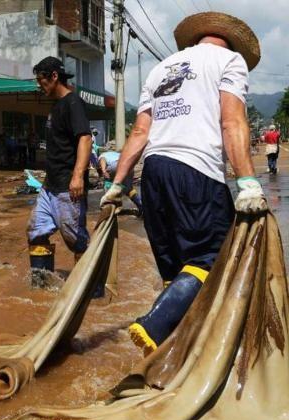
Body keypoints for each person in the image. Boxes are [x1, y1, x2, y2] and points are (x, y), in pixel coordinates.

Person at [101, 12, 268, 355]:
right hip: (196, 171)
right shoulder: (229, 60)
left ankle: (172, 356)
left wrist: (117, 186)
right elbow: (232, 122)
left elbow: (140, 132)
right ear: (231, 44)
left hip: (154, 173)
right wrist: (248, 182)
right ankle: (154, 327)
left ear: (196, 40)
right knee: (212, 257)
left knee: (178, 270)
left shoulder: (162, 68)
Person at [26, 56, 93, 286]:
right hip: (50, 187)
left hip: (68, 186)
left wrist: (77, 177)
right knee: (35, 231)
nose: (39, 85)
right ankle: (42, 286)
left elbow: (85, 138)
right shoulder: (56, 106)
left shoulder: (73, 103)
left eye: (41, 80)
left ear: (54, 76)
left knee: (76, 240)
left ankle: (89, 291)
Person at [99, 148, 143, 215]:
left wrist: (103, 170)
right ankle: (141, 205)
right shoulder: (117, 154)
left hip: (115, 165)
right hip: (128, 166)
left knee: (108, 184)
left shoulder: (102, 155)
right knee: (129, 189)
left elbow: (103, 159)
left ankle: (109, 209)